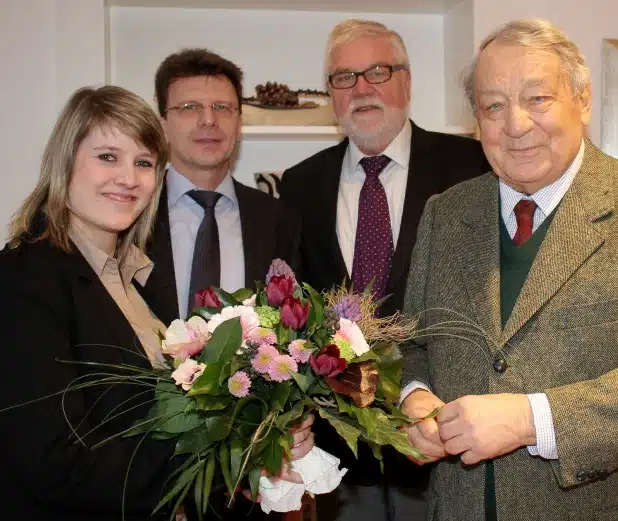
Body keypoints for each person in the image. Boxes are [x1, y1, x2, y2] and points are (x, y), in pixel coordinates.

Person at [0, 85, 312, 521]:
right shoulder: (26, 279)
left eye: (143, 162)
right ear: (66, 160)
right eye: (107, 156)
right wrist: (237, 457)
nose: (128, 178)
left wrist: (259, 433)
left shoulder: (134, 279)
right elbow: (54, 463)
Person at [401, 19, 618, 521]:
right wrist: (413, 398)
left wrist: (533, 420)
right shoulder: (446, 214)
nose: (515, 124)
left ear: (582, 101)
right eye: (493, 106)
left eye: (537, 98)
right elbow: (412, 346)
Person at [278, 19, 490, 521]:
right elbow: (295, 309)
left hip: (447, 438)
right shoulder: (300, 183)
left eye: (378, 71)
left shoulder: (473, 164)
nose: (362, 89)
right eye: (344, 78)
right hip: (342, 448)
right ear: (331, 93)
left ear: (407, 81)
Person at [140, 48, 298, 327]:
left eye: (222, 108)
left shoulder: (277, 219)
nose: (209, 120)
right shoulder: (133, 212)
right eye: (189, 108)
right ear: (162, 124)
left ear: (239, 124)